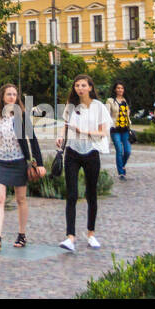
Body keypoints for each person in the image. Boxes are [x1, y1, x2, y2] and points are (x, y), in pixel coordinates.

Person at [0, 83, 46, 249]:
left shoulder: (21, 116)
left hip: (18, 161)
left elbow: (33, 140)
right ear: (2, 96)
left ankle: (22, 235)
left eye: (14, 95)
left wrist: (39, 163)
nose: (12, 97)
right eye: (9, 94)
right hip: (1, 162)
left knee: (21, 199)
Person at [58, 74, 111, 252]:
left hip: (91, 152)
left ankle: (91, 234)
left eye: (83, 85)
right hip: (72, 151)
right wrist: (60, 137)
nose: (79, 88)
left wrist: (86, 132)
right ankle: (70, 237)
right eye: (77, 85)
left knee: (91, 193)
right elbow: (64, 124)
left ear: (90, 87)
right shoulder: (71, 106)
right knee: (71, 194)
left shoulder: (99, 107)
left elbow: (104, 132)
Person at [106, 82, 133, 180]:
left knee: (128, 151)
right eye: (118, 88)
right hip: (115, 129)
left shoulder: (126, 100)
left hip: (125, 129)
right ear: (115, 89)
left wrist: (130, 126)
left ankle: (122, 165)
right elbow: (107, 114)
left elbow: (127, 115)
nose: (120, 90)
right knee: (119, 149)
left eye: (122, 88)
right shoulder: (110, 101)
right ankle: (121, 173)